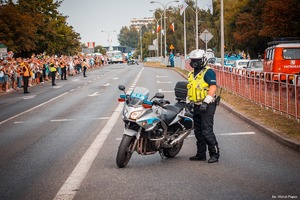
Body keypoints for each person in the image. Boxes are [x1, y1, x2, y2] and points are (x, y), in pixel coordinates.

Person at [187, 49, 220, 163]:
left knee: (207, 131)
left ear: (203, 60)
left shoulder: (208, 72)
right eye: (192, 60)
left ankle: (214, 154)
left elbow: (213, 87)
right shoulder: (191, 74)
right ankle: (201, 154)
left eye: (197, 60)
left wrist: (206, 102)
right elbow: (190, 89)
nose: (194, 62)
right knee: (198, 131)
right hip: (196, 105)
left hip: (207, 105)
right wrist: (189, 102)